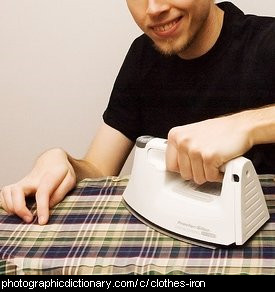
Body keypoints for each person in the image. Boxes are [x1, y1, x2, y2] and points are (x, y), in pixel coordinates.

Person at [1, 0, 274, 225]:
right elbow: (98, 169)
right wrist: (61, 162)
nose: (153, 9)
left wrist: (245, 125)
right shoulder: (142, 56)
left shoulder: (266, 41)